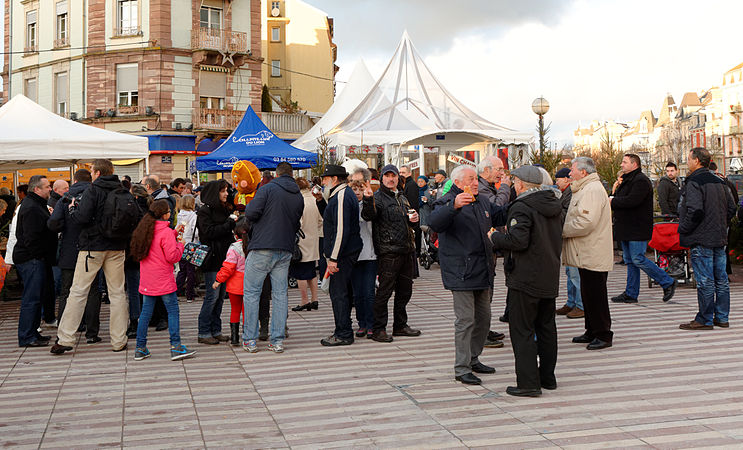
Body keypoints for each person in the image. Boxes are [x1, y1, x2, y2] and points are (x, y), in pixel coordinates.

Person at [429, 165, 507, 385]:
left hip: (482, 269)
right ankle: (461, 367)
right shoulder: (447, 200)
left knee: (484, 319)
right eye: (471, 179)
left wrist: (518, 196)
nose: (476, 182)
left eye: (476, 179)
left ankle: (473, 358)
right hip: (460, 271)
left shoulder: (481, 200)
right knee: (465, 320)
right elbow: (435, 222)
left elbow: (499, 214)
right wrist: (453, 206)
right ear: (457, 182)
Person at [487, 165, 562, 397]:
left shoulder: (522, 206)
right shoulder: (553, 202)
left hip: (526, 276)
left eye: (513, 182)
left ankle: (529, 383)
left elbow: (519, 241)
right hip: (549, 273)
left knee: (522, 330)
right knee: (547, 327)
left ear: (521, 184)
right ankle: (547, 377)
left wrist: (495, 237)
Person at [51, 159, 132, 354]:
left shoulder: (93, 191)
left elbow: (81, 218)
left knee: (78, 291)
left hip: (92, 248)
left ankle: (66, 338)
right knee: (118, 293)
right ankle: (119, 340)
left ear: (96, 173)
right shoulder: (122, 191)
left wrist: (71, 208)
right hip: (117, 247)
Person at [242, 162, 304, 353]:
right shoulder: (298, 195)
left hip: (262, 245)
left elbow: (251, 212)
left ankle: (250, 340)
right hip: (285, 248)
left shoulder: (268, 189)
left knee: (252, 292)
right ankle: (276, 340)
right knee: (280, 294)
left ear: (276, 175)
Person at [677, 148, 737, 330]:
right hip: (718, 236)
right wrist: (721, 223)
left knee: (706, 280)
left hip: (701, 237)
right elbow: (732, 208)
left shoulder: (695, 181)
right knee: (721, 279)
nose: (687, 162)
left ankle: (705, 318)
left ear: (696, 161)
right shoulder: (720, 181)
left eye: (688, 158)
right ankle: (722, 317)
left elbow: (695, 210)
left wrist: (684, 229)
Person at [129, 199, 196, 361]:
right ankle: (176, 346)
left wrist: (174, 232)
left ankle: (140, 348)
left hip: (147, 279)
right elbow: (172, 256)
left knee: (145, 313)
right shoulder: (165, 232)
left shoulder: (145, 229)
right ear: (165, 214)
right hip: (163, 279)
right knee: (173, 311)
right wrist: (180, 244)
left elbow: (157, 241)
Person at [362, 164, 421, 343]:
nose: (390, 179)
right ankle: (378, 329)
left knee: (405, 291)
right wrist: (367, 199)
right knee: (384, 292)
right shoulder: (378, 198)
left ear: (398, 178)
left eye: (393, 176)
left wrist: (414, 220)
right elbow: (368, 215)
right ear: (381, 179)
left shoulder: (402, 197)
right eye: (387, 176)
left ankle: (400, 325)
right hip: (388, 252)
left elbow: (409, 223)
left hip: (406, 250)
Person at [563, 157, 615, 350]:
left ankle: (603, 334)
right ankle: (592, 330)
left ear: (583, 172)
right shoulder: (585, 188)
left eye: (572, 169)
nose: (569, 173)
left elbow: (586, 222)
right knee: (588, 293)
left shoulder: (592, 189)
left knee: (596, 295)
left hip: (593, 250)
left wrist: (562, 230)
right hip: (586, 250)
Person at [610, 153, 677, 304]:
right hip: (627, 227)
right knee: (630, 261)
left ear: (634, 164)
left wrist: (613, 201)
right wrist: (614, 193)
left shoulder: (641, 181)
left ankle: (667, 281)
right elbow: (621, 199)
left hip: (636, 227)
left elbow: (632, 201)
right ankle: (631, 293)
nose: (621, 165)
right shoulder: (627, 180)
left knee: (637, 258)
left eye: (624, 162)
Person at [48, 169, 105, 344]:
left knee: (67, 292)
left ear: (74, 180)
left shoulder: (65, 198)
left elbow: (53, 224)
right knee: (93, 291)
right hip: (91, 250)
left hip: (70, 251)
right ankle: (92, 332)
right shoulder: (97, 195)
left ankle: (65, 331)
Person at [319, 165, 363, 346]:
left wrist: (333, 258)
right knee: (340, 293)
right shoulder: (338, 195)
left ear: (334, 179)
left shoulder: (342, 195)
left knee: (339, 293)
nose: (322, 182)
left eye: (325, 178)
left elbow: (341, 230)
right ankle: (343, 328)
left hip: (342, 254)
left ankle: (343, 332)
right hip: (344, 252)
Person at [14, 175, 56, 347]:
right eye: (47, 186)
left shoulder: (35, 205)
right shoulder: (31, 207)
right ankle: (26, 336)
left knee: (37, 298)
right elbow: (30, 237)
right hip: (31, 258)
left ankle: (33, 333)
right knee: (31, 298)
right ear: (36, 189)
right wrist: (38, 255)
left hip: (36, 258)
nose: (50, 189)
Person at [196, 179, 235, 345]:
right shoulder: (205, 211)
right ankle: (204, 331)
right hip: (212, 259)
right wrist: (229, 225)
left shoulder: (224, 209)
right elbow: (208, 232)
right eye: (223, 191)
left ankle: (216, 330)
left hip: (224, 259)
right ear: (215, 193)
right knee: (212, 296)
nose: (226, 194)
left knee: (220, 297)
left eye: (226, 190)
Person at [214, 218, 251, 346]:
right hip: (250, 284)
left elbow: (228, 267)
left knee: (235, 310)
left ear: (235, 235)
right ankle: (248, 336)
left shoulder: (234, 248)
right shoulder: (253, 246)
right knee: (248, 311)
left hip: (235, 285)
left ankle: (235, 338)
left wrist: (218, 279)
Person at [554, 167, 584, 319]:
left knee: (574, 272)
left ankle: (580, 305)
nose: (556, 183)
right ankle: (571, 302)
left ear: (566, 179)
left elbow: (568, 214)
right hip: (567, 236)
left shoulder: (571, 193)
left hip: (573, 236)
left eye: (557, 180)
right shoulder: (565, 193)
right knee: (569, 272)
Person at [290, 178, 323, 312]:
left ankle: (304, 300)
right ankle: (315, 299)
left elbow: (297, 223)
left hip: (301, 242)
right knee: (312, 273)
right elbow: (321, 221)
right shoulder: (314, 200)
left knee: (300, 273)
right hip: (313, 241)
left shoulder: (299, 201)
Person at [349, 179, 377, 337]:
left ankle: (371, 323)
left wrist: (368, 200)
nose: (357, 192)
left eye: (360, 189)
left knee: (368, 291)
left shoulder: (370, 204)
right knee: (357, 293)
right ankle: (361, 323)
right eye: (354, 189)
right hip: (353, 255)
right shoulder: (347, 206)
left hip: (370, 254)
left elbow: (368, 218)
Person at [125, 184, 150, 338]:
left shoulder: (132, 209)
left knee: (132, 290)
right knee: (144, 289)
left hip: (131, 255)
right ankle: (146, 319)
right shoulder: (149, 208)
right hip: (146, 255)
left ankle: (135, 321)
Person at [175, 194, 198, 303]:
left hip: (181, 243)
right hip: (191, 245)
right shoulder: (193, 215)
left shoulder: (180, 215)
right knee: (191, 271)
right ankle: (190, 294)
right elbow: (195, 230)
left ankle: (177, 291)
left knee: (182, 270)